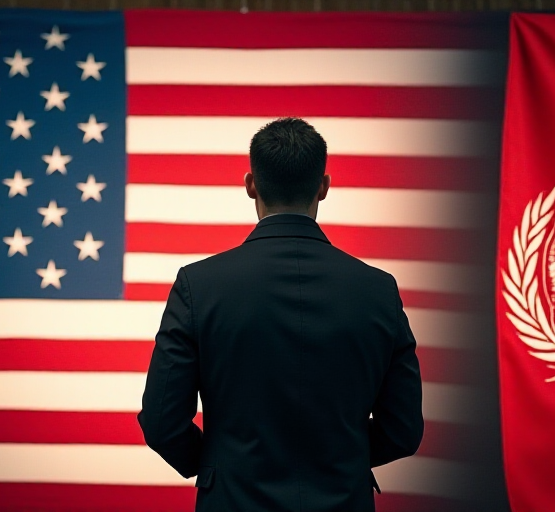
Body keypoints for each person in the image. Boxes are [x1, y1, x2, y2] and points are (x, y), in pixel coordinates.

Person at [138, 117, 424, 512]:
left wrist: (221, 464)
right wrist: (338, 462)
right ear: (323, 187)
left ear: (251, 184)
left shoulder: (198, 285)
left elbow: (160, 422)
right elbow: (403, 430)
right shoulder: (378, 290)